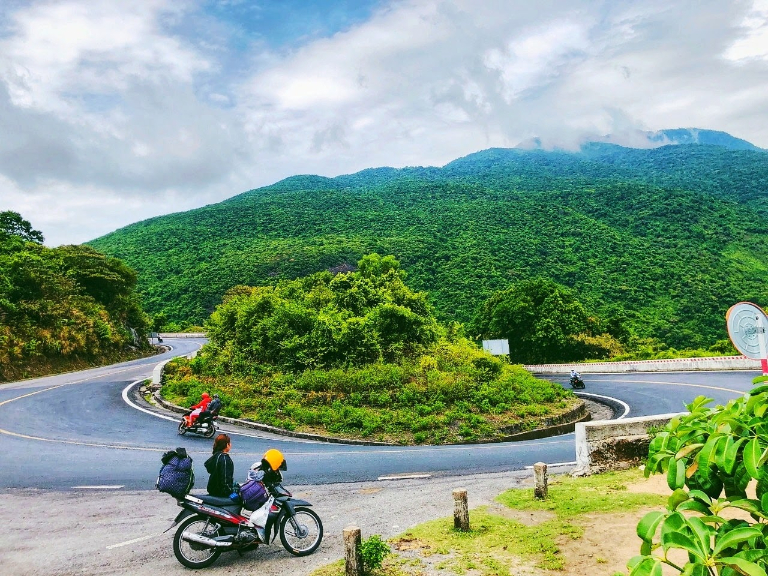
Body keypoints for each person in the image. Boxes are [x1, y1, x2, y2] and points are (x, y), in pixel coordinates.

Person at [205, 433, 235, 498]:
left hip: (212, 489)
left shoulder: (216, 456)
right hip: (220, 492)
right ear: (227, 444)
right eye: (229, 443)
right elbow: (225, 480)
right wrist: (231, 493)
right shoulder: (224, 459)